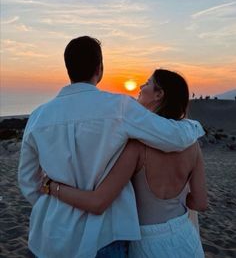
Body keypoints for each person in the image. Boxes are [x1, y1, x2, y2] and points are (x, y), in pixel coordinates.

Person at [18, 36, 205, 258]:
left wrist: (55, 208)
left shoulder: (38, 117)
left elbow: (28, 181)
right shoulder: (120, 108)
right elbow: (172, 137)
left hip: (49, 235)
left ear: (68, 68)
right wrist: (194, 127)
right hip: (104, 236)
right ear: (100, 68)